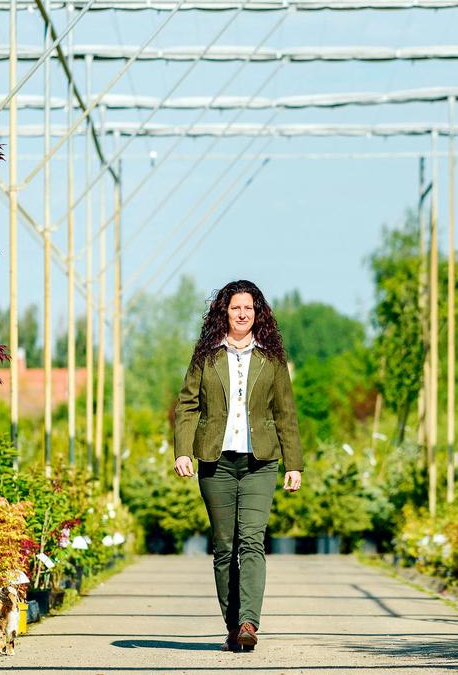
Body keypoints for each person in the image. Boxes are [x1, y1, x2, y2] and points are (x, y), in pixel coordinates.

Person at [173, 279, 303, 653]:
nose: (242, 313)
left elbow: (285, 412)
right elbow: (187, 406)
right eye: (235, 308)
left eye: (248, 307)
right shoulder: (206, 356)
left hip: (261, 462)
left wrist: (294, 463)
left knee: (252, 541)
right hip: (216, 460)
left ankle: (249, 622)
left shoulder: (272, 359)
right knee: (225, 547)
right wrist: (183, 450)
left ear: (257, 312)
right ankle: (232, 625)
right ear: (224, 313)